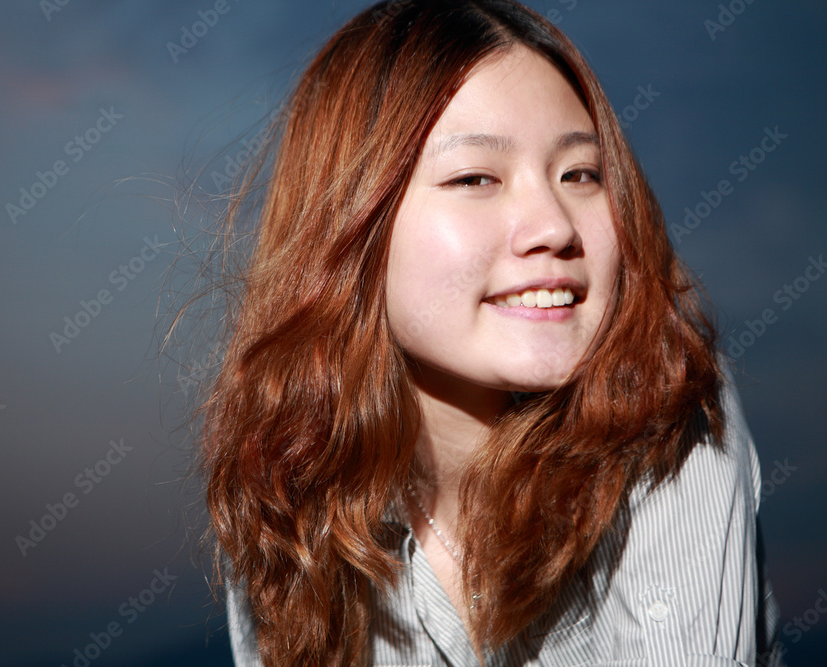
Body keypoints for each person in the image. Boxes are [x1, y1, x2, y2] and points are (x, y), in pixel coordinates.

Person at [195, 1, 782, 664]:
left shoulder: (668, 407)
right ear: (351, 229)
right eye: (476, 177)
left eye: (580, 174)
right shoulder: (288, 491)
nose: (555, 225)